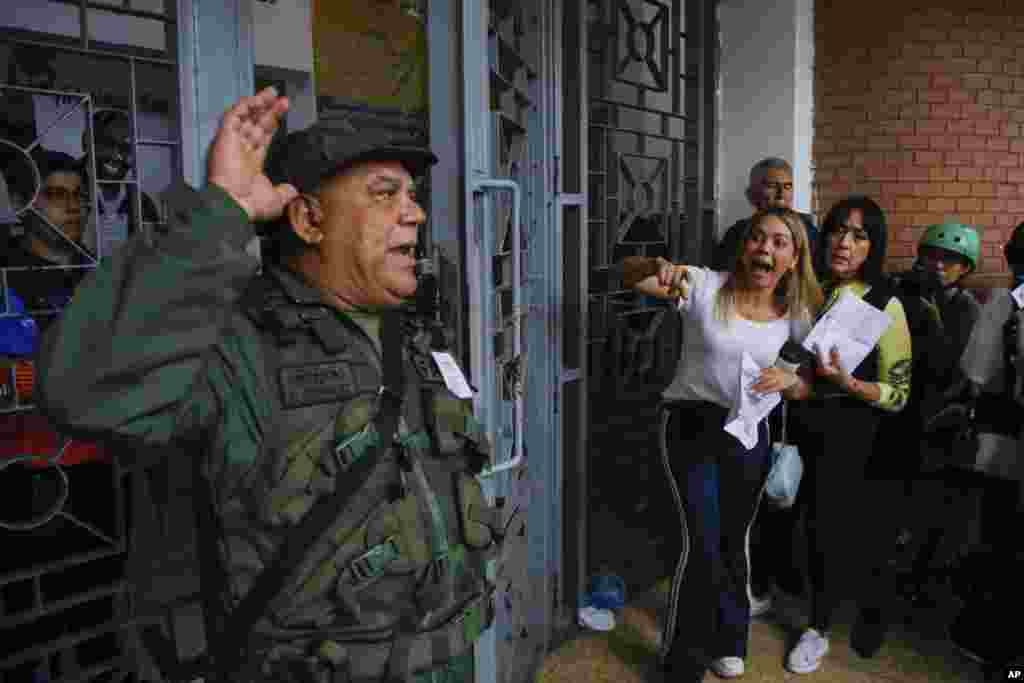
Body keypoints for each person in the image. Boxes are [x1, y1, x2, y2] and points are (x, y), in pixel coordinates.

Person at [36, 87, 499, 683]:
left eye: (412, 195)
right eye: (385, 195)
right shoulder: (236, 344)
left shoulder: (412, 336)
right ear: (308, 220)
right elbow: (79, 389)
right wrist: (220, 213)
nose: (414, 212)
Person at [622, 207, 822, 681]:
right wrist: (654, 266)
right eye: (757, 238)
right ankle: (683, 662)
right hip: (690, 423)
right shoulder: (705, 285)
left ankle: (730, 640)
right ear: (744, 246)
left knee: (733, 539)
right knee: (701, 541)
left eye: (778, 243)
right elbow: (627, 275)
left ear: (794, 258)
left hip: (750, 432)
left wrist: (789, 382)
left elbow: (808, 382)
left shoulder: (796, 314)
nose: (765, 249)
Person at [785, 195, 913, 674]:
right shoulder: (807, 289)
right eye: (839, 229)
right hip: (791, 423)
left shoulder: (884, 302)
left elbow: (899, 393)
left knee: (828, 533)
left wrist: (850, 384)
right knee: (785, 520)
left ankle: (818, 627)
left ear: (873, 245)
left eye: (860, 234)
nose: (845, 241)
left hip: (849, 436)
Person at [712, 157, 819, 272]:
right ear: (751, 195)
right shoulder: (737, 234)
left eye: (787, 187)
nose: (781, 194)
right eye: (772, 186)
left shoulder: (808, 232)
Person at [80, 108, 161, 257]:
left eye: (125, 148)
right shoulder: (65, 192)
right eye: (107, 144)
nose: (117, 156)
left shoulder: (143, 204)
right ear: (86, 143)